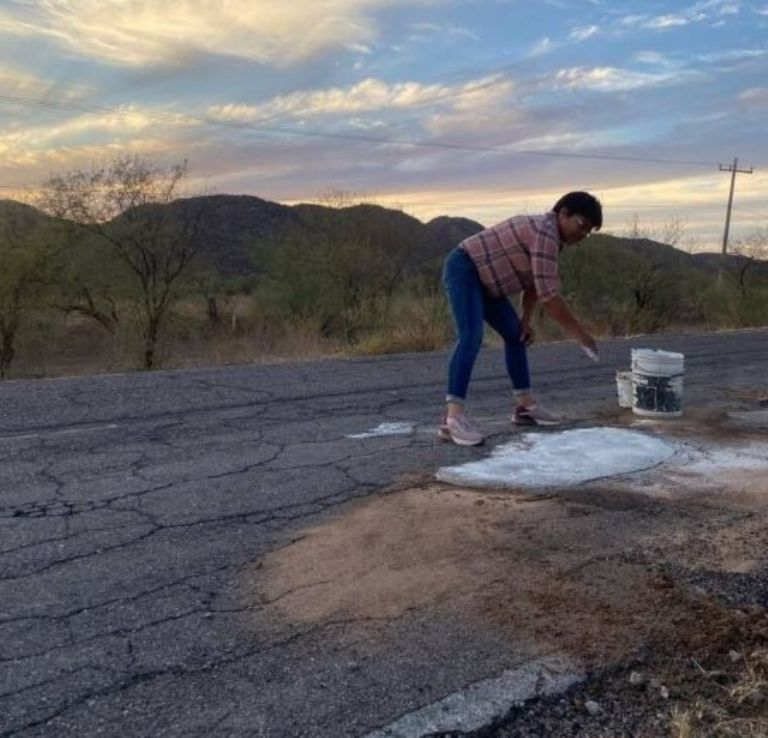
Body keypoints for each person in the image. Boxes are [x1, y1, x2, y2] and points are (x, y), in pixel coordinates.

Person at [439, 191, 602, 446]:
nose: (582, 235)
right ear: (563, 213)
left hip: (488, 284)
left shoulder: (552, 239)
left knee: (517, 336)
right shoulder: (544, 233)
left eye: (589, 232)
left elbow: (535, 285)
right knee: (470, 336)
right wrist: (581, 336)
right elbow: (550, 296)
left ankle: (525, 408)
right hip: (465, 268)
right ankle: (453, 419)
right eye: (581, 225)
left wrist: (525, 320)